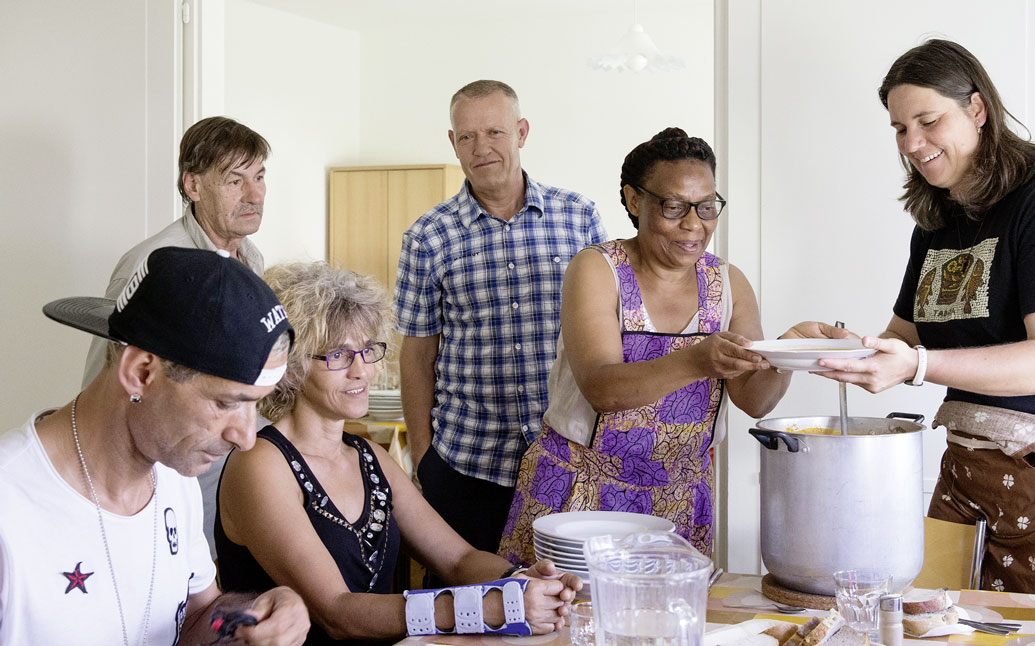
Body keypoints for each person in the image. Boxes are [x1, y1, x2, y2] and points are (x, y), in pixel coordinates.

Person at [786, 40, 1035, 645]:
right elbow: (904, 340)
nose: (912, 143)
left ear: (978, 109)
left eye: (928, 121)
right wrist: (829, 347)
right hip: (971, 476)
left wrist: (915, 366)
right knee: (937, 636)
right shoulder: (937, 222)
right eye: (898, 128)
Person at [215, 261, 581, 644]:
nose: (362, 371)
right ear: (290, 366)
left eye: (367, 350)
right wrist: (486, 605)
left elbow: (457, 560)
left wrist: (519, 581)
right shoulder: (259, 464)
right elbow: (338, 613)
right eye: (338, 355)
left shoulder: (370, 456)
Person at [499, 128, 792, 564]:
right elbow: (603, 389)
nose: (695, 224)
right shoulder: (598, 269)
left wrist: (786, 353)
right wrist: (697, 360)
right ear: (634, 200)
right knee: (565, 623)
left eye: (708, 206)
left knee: (662, 626)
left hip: (678, 497)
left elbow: (754, 400)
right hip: (580, 491)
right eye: (674, 207)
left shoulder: (728, 283)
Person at [0, 247, 309, 645]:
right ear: (141, 372)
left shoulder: (174, 476)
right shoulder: (10, 503)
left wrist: (254, 616)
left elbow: (197, 616)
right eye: (227, 403)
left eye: (256, 405)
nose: (246, 437)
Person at [395, 80, 607, 556]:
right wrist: (426, 460)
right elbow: (417, 355)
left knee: (566, 601)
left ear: (521, 132)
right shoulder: (427, 238)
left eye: (494, 131)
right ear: (452, 143)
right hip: (466, 464)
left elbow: (611, 328)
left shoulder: (579, 218)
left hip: (566, 456)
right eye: (466, 136)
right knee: (468, 611)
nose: (481, 147)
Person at [81, 115, 271, 558]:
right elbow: (106, 379)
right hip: (169, 464)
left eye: (260, 177)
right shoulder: (155, 264)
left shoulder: (251, 258)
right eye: (235, 180)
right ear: (193, 184)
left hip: (229, 455)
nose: (255, 195)